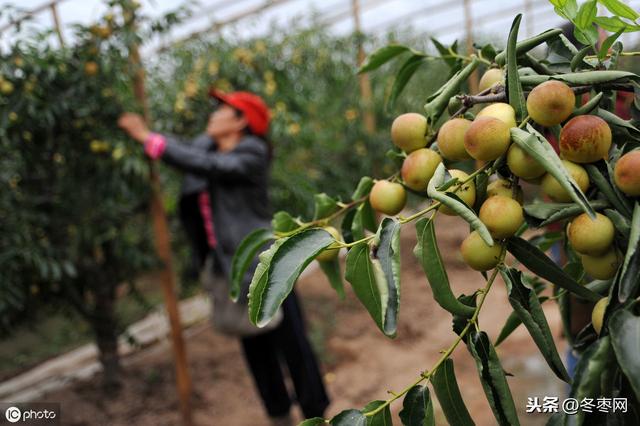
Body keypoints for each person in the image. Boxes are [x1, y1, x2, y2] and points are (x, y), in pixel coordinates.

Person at [118, 89, 330, 425]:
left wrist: (148, 138)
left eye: (223, 110)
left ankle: (316, 413)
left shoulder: (252, 153)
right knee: (254, 348)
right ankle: (279, 415)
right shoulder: (210, 148)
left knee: (292, 343)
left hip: (267, 267)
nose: (213, 114)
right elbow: (190, 152)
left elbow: (204, 164)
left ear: (241, 122)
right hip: (230, 268)